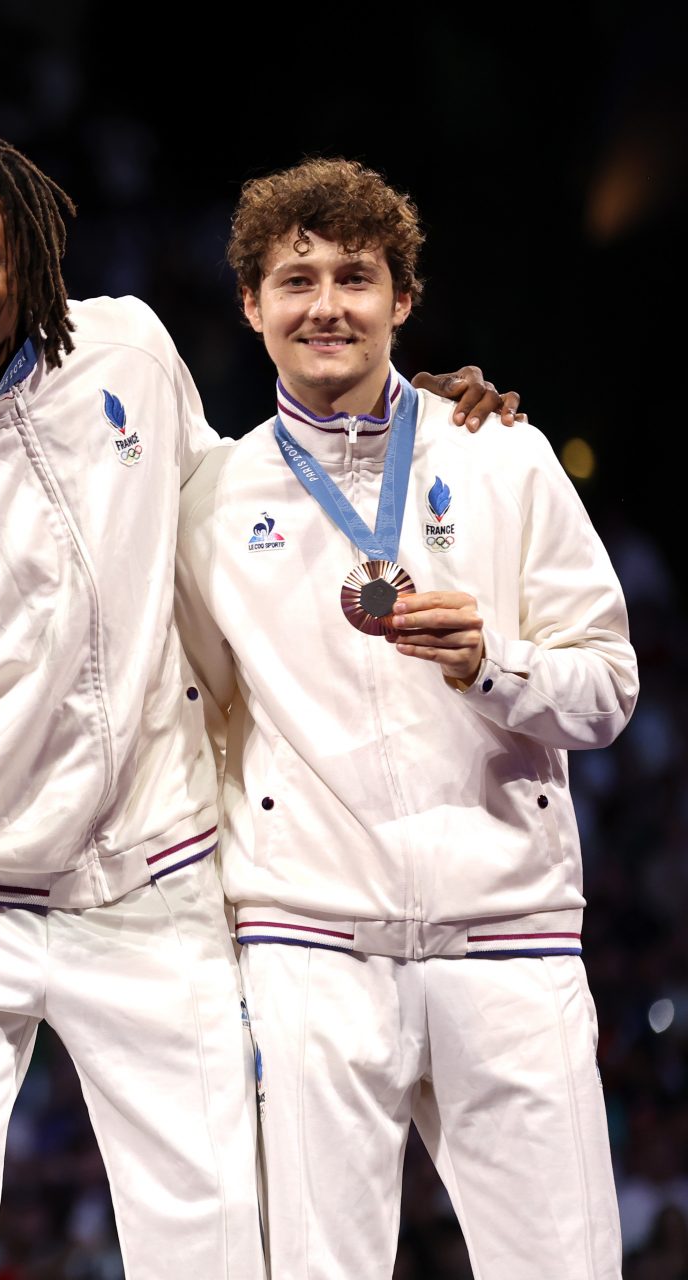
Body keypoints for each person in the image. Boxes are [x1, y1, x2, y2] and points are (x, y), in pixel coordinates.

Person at [0, 134, 518, 1278]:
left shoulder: (126, 348)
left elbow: (232, 493)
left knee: (211, 1244)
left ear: (28, 258)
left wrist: (378, 413)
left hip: (150, 873)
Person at [174, 157, 635, 1279]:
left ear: (404, 299)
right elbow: (196, 720)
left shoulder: (502, 454)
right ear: (251, 304)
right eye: (295, 279)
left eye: (356, 276)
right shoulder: (214, 498)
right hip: (311, 947)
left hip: (508, 938)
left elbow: (609, 686)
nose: (326, 303)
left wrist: (498, 663)